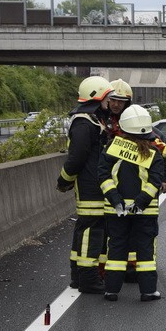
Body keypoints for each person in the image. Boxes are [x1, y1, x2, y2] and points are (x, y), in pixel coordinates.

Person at [98, 106, 165, 302]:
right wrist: (140, 204)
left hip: (115, 211)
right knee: (145, 251)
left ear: (123, 128)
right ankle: (148, 291)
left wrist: (116, 201)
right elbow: (155, 182)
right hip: (145, 213)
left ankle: (111, 291)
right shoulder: (153, 153)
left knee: (116, 248)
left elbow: (103, 176)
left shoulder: (112, 149)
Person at [57, 76, 113, 294]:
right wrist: (64, 181)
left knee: (85, 229)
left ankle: (78, 276)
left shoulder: (93, 120)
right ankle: (88, 279)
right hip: (91, 186)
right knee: (92, 230)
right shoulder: (83, 123)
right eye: (107, 97)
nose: (110, 101)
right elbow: (76, 158)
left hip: (94, 184)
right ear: (96, 96)